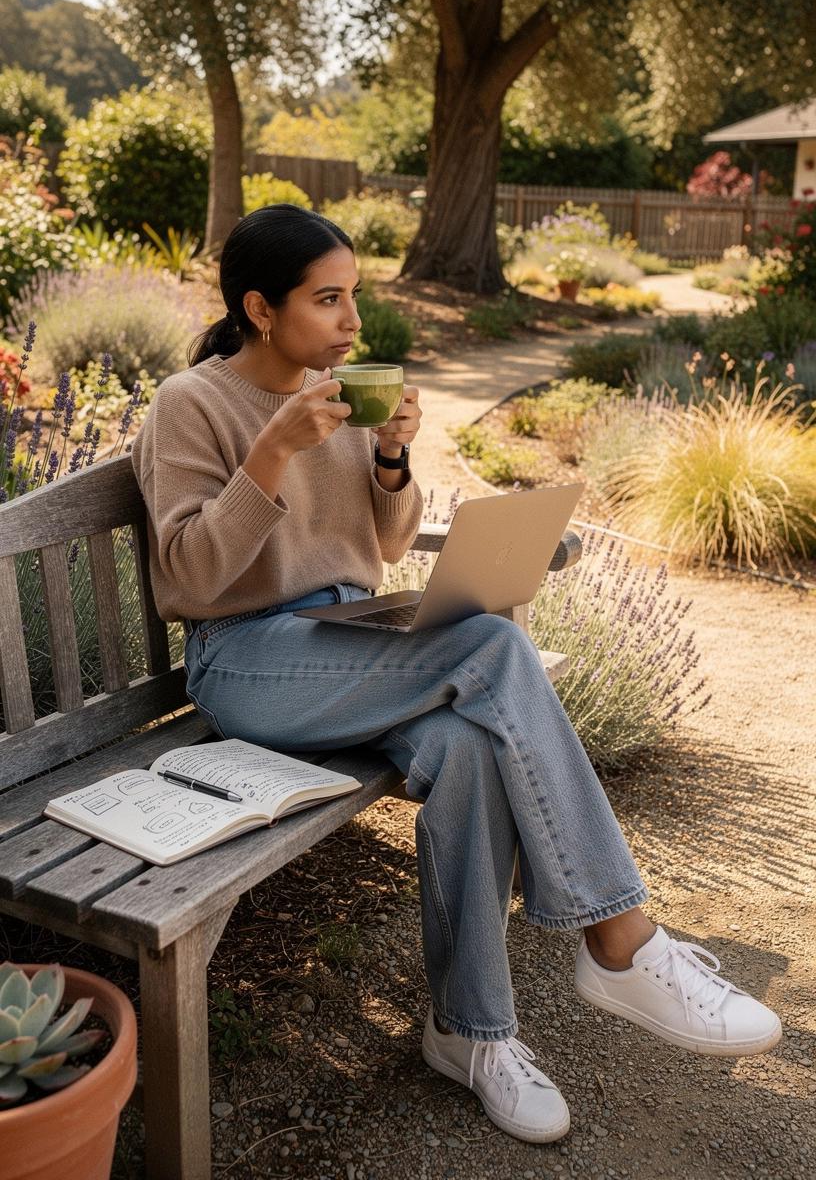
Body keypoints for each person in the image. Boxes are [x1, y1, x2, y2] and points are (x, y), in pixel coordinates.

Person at [132, 204, 781, 1144]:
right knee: (494, 646)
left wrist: (390, 457)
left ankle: (468, 1032)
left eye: (356, 295)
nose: (355, 320)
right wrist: (272, 451)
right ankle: (620, 939)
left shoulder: (340, 390)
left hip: (343, 641)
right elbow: (184, 581)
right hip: (246, 661)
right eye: (330, 299)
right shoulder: (190, 404)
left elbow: (385, 546)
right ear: (260, 310)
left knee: (467, 746)